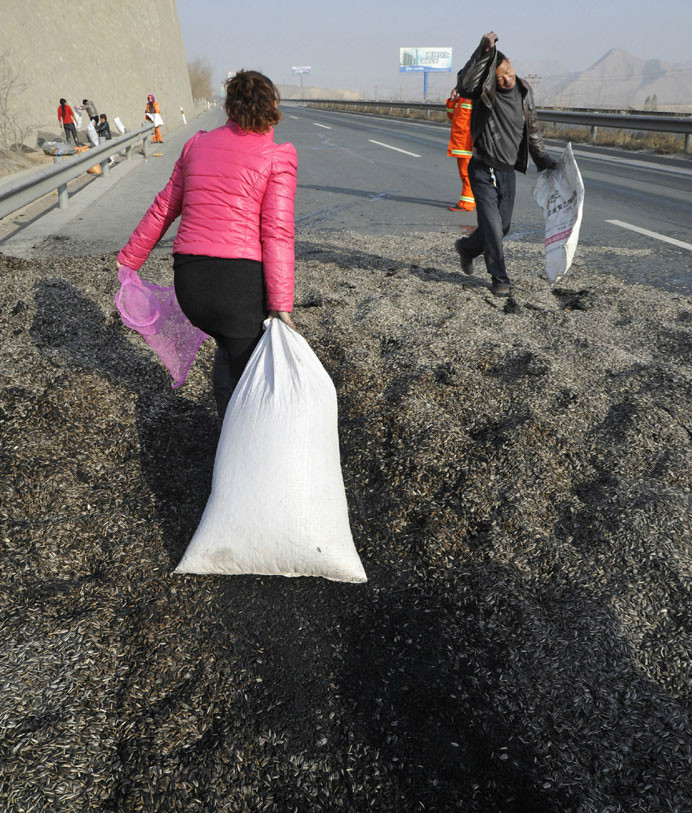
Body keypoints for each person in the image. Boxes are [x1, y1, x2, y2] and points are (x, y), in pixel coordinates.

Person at [117, 70, 297, 419]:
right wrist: (280, 304)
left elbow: (165, 207)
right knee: (249, 371)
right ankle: (238, 439)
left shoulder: (196, 145)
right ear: (272, 106)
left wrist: (130, 258)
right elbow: (277, 233)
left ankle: (226, 428)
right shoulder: (277, 157)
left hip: (191, 284)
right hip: (237, 286)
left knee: (227, 347)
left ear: (229, 106)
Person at [454, 32, 558, 297]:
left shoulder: (524, 89)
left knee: (503, 226)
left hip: (507, 169)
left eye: (508, 72)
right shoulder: (484, 90)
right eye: (500, 77)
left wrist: (543, 160)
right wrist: (483, 51)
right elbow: (464, 85)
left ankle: (466, 248)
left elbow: (532, 129)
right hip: (482, 167)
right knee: (492, 225)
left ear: (511, 63)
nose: (506, 79)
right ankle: (499, 277)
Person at [445, 89, 475, 212]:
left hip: (467, 144)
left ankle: (466, 203)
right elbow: (452, 116)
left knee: (467, 174)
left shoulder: (473, 98)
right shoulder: (461, 99)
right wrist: (452, 100)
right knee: (465, 174)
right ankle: (471, 200)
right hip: (460, 144)